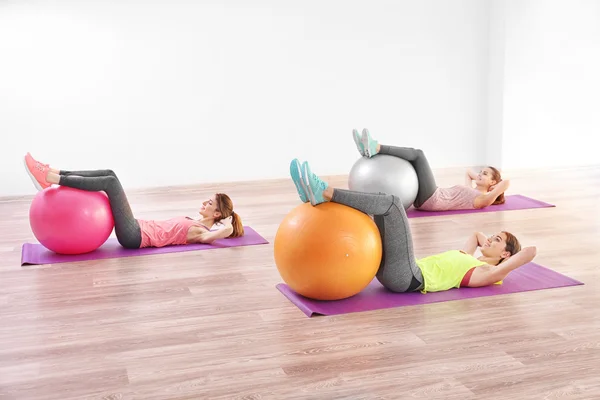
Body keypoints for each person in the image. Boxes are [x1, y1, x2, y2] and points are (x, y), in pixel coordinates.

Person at [288, 158, 537, 293]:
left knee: (393, 204)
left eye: (497, 240)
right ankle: (318, 193)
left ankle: (325, 192)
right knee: (383, 208)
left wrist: (502, 260)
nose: (490, 239)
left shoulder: (487, 274)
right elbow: (475, 234)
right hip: (395, 273)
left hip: (408, 277)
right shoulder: (470, 258)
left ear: (506, 254)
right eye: (493, 236)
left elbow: (526, 255)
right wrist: (490, 245)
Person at [23, 153, 244, 249]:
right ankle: (51, 172)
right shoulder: (196, 220)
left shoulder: (199, 232)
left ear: (216, 214)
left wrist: (227, 227)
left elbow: (215, 235)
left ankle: (50, 178)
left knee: (110, 182)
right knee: (110, 172)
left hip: (134, 236)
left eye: (210, 204)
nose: (204, 203)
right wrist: (226, 221)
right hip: (136, 227)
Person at [351, 128, 510, 211]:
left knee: (418, 155)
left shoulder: (482, 201)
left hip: (434, 199)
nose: (480, 174)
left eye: (486, 174)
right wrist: (481, 178)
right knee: (414, 161)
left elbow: (506, 183)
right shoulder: (473, 192)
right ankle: (368, 150)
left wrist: (493, 189)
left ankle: (376, 147)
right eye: (481, 172)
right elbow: (468, 172)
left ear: (494, 182)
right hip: (431, 198)